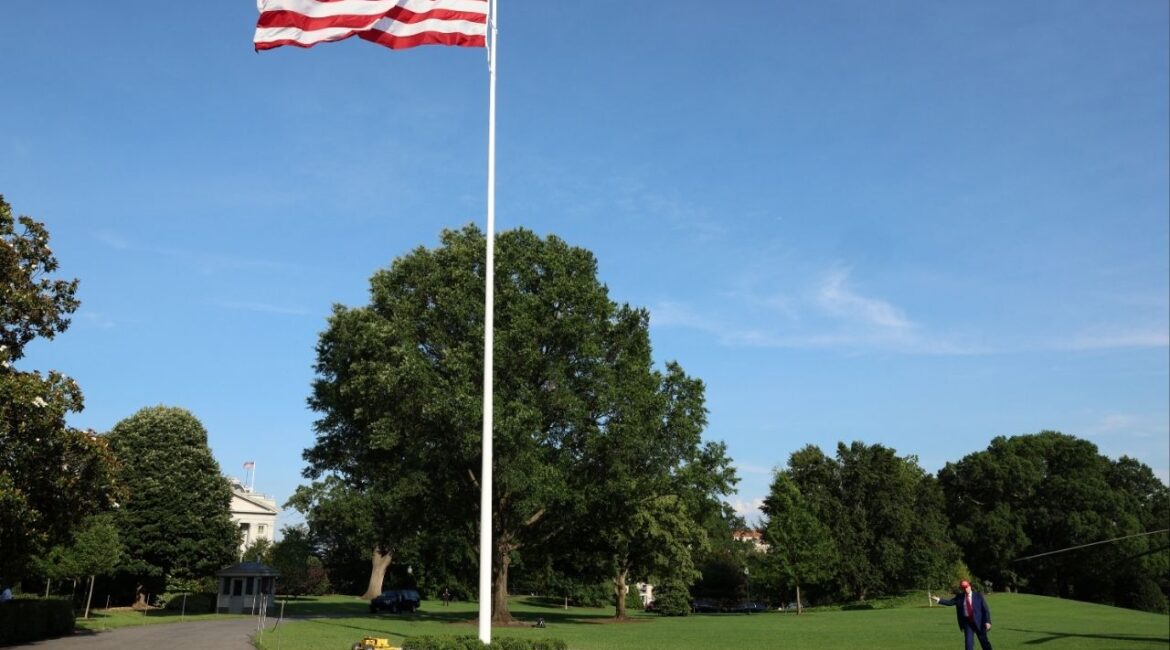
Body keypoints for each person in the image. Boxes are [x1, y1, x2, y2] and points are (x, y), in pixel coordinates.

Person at [932, 579, 993, 650]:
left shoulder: (978, 596)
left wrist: (988, 621)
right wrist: (939, 600)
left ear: (970, 586)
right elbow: (950, 602)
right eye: (963, 588)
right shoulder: (960, 597)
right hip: (967, 623)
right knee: (968, 644)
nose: (966, 589)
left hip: (979, 622)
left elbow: (985, 610)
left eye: (966, 587)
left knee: (984, 643)